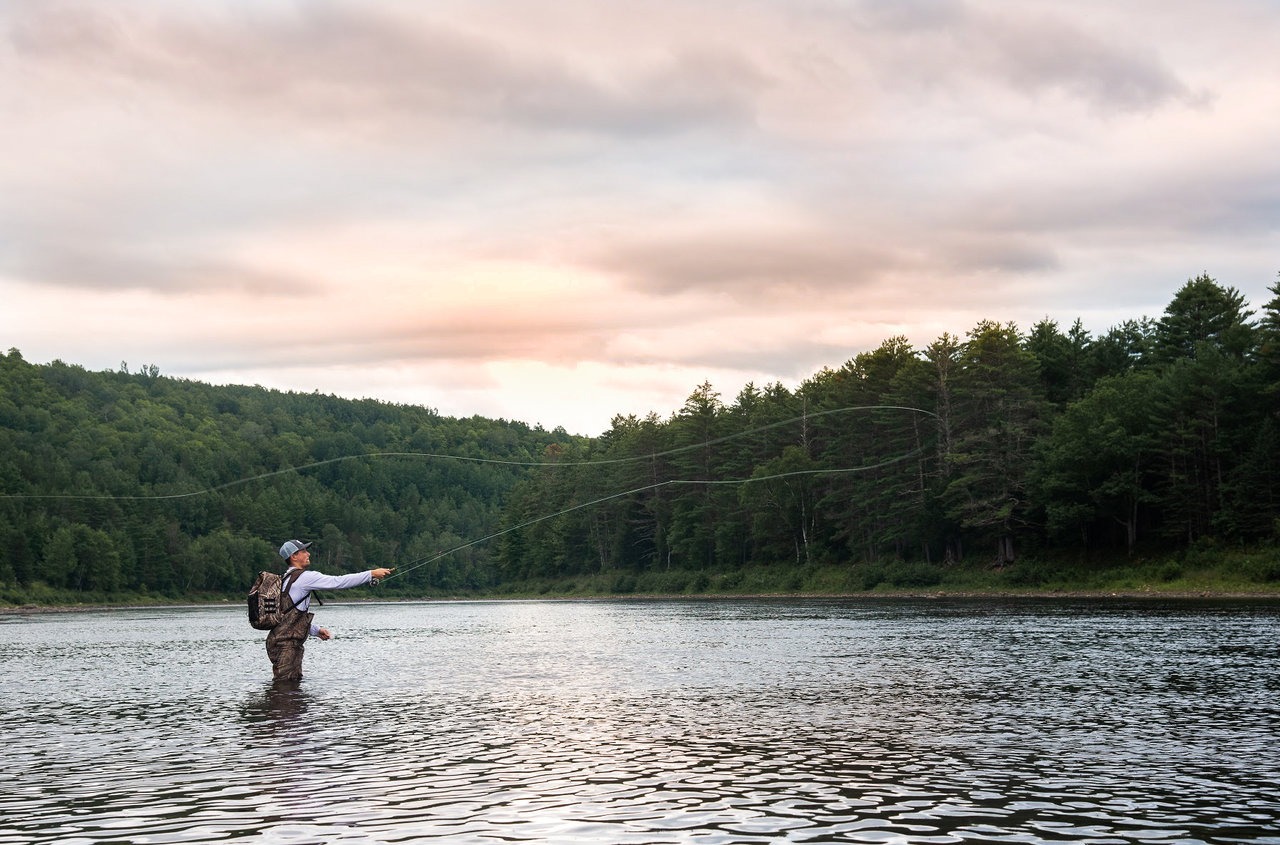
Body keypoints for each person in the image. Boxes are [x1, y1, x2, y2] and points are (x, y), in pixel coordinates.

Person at [265, 539, 393, 683]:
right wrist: (370, 574)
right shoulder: (304, 577)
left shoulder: (285, 579)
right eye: (304, 551)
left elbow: (288, 618)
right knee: (286, 690)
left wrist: (315, 630)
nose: (308, 553)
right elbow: (337, 582)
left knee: (289, 690)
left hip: (278, 643)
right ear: (294, 557)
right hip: (286, 646)